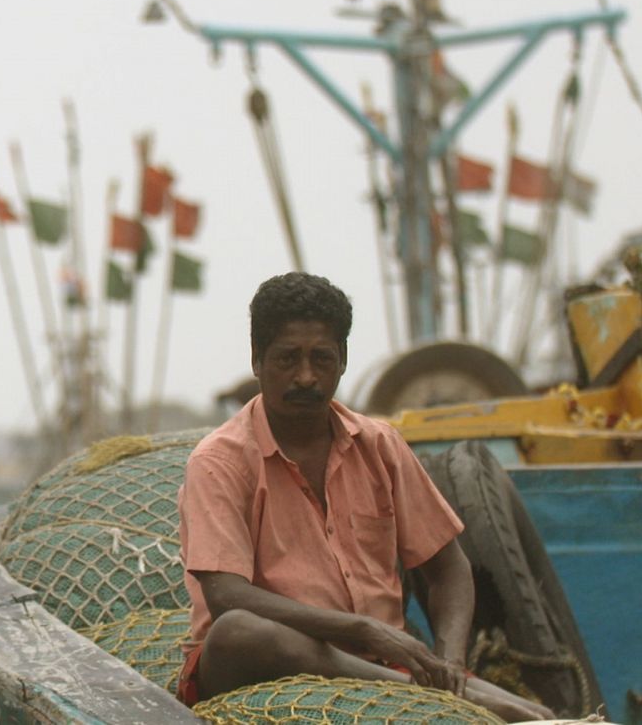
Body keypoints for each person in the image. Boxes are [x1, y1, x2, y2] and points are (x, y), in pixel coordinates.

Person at [176, 272, 552, 722]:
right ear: (257, 360)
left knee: (540, 717)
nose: (306, 376)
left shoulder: (380, 445)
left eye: (322, 358)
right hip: (263, 663)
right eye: (287, 359)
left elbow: (449, 569)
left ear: (344, 360)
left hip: (383, 664)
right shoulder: (219, 460)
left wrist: (450, 663)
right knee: (236, 632)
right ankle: (415, 692)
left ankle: (433, 692)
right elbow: (226, 596)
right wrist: (364, 629)